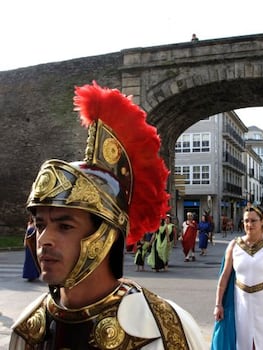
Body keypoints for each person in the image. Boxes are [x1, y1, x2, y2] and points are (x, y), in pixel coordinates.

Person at [9, 82, 206, 349]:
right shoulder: (29, 328)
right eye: (41, 224)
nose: (45, 239)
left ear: (107, 234)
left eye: (65, 226)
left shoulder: (161, 328)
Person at [211, 206, 263, 349]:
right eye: (246, 221)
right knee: (243, 344)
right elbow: (224, 277)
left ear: (262, 221)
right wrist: (218, 304)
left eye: (253, 221)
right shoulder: (234, 245)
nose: (249, 225)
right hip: (241, 304)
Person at [22, 216, 40, 282]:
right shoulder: (29, 224)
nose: (33, 217)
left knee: (34, 259)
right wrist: (25, 242)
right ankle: (29, 275)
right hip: (28, 244)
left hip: (34, 244)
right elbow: (26, 234)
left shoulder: (37, 224)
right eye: (32, 217)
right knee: (29, 260)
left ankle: (34, 274)